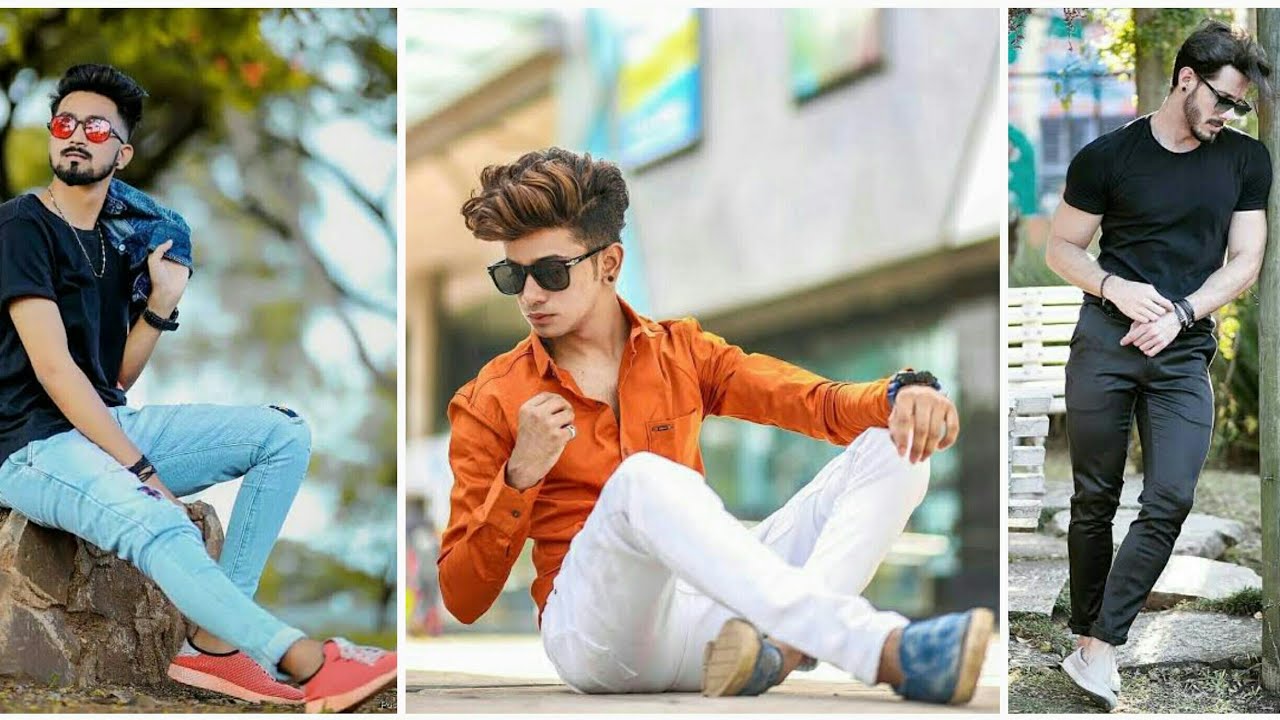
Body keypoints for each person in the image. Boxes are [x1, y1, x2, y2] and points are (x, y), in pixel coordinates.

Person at [438, 147, 993, 704]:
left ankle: (780, 648)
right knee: (641, 479)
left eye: (551, 273)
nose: (531, 295)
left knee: (896, 447)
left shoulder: (683, 353)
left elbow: (813, 401)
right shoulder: (491, 399)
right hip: (599, 640)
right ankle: (882, 649)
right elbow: (462, 597)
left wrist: (906, 394)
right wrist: (520, 475)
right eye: (514, 276)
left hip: (715, 627)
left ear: (609, 263)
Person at [0, 63, 395, 712]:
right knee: (156, 516)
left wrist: (161, 300)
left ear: (121, 152)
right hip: (29, 446)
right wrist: (140, 469)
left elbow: (113, 379)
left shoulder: (115, 244)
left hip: (99, 424)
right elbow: (54, 370)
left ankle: (216, 643)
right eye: (65, 122)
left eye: (96, 127)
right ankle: (303, 662)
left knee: (281, 433)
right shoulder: (21, 226)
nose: (76, 135)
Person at [1045, 20, 1271, 710]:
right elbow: (1063, 248)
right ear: (1185, 81)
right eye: (1224, 101)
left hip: (1183, 350)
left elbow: (1247, 261)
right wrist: (1114, 287)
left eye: (1240, 107)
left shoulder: (1244, 160)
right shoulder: (1107, 157)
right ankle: (1088, 640)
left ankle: (1099, 647)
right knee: (1093, 499)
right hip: (1104, 345)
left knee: (1170, 497)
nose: (1230, 116)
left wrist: (1179, 314)